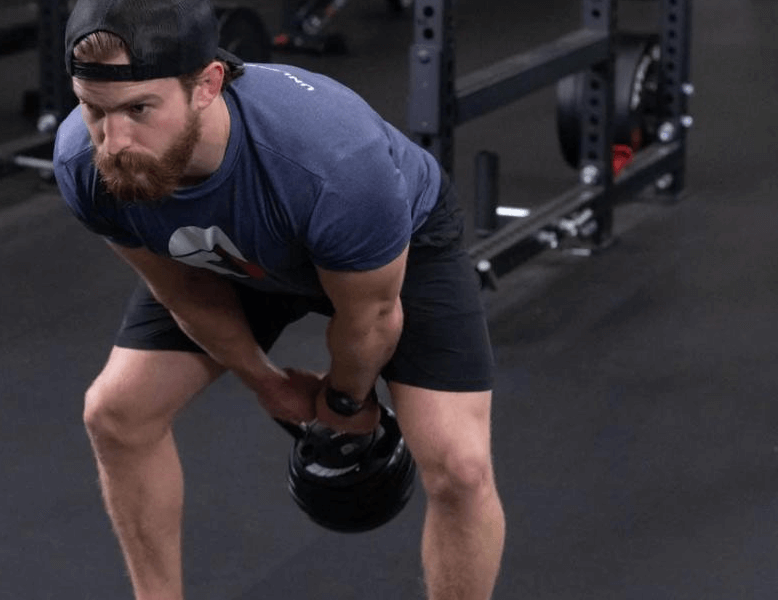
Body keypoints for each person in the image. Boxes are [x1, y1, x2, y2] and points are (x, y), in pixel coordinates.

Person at [52, 0, 505, 598]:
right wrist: (265, 380)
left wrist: (346, 402)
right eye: (94, 111)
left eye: (140, 109)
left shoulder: (334, 164)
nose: (115, 141)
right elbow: (181, 288)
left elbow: (370, 320)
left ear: (208, 84)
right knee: (115, 414)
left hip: (394, 251)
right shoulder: (89, 167)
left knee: (460, 467)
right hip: (239, 257)